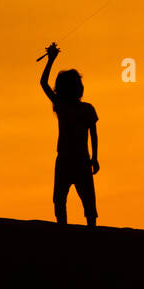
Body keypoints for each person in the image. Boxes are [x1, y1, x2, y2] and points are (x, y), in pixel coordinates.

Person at [39, 42, 98, 226]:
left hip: (70, 160)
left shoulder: (63, 106)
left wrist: (51, 60)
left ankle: (64, 229)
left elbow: (43, 83)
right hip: (77, 159)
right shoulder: (83, 108)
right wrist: (95, 158)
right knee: (81, 201)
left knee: (64, 200)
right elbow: (94, 135)